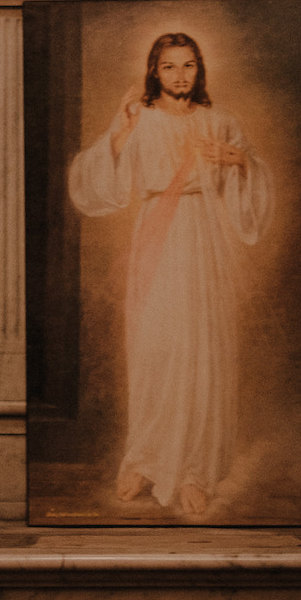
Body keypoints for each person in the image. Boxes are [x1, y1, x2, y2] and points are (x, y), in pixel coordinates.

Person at [68, 34, 271, 516]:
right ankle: (146, 460)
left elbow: (254, 183)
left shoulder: (220, 122)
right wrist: (119, 133)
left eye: (188, 66)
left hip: (206, 239)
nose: (180, 75)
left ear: (199, 71)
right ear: (153, 72)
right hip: (157, 235)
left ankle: (196, 470)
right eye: (169, 67)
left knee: (203, 349)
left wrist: (241, 162)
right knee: (156, 350)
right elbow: (93, 179)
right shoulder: (142, 119)